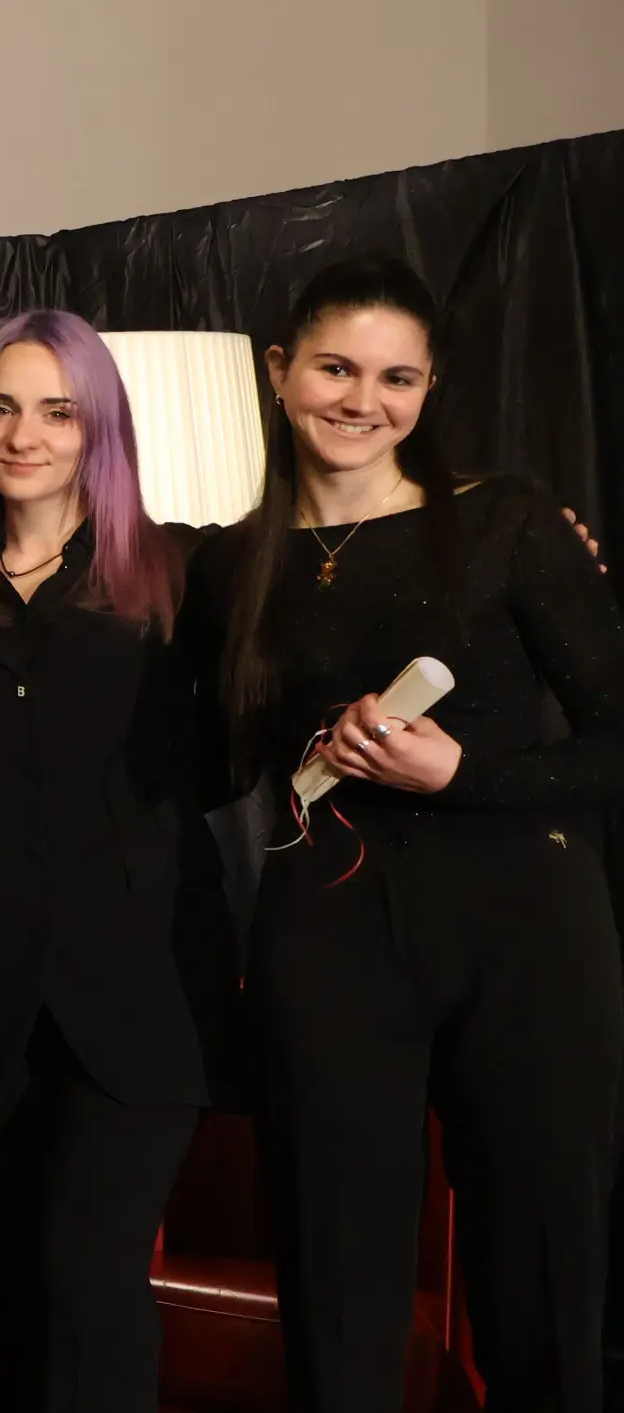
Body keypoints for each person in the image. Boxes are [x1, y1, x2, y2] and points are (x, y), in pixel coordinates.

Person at [186, 255, 624, 1412]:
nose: (361, 400)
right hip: (328, 930)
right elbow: (201, 766)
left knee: (539, 1272)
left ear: (429, 389)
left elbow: (616, 742)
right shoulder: (232, 562)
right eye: (334, 367)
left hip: (527, 930)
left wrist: (461, 772)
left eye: (397, 377)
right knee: (335, 1278)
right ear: (279, 373)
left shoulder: (508, 521)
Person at [0, 312, 236, 1413]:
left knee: (87, 1273)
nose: (25, 435)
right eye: (1, 408)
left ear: (99, 425)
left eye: (58, 410)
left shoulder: (184, 575)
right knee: (11, 1289)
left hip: (144, 998)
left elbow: (340, 590)